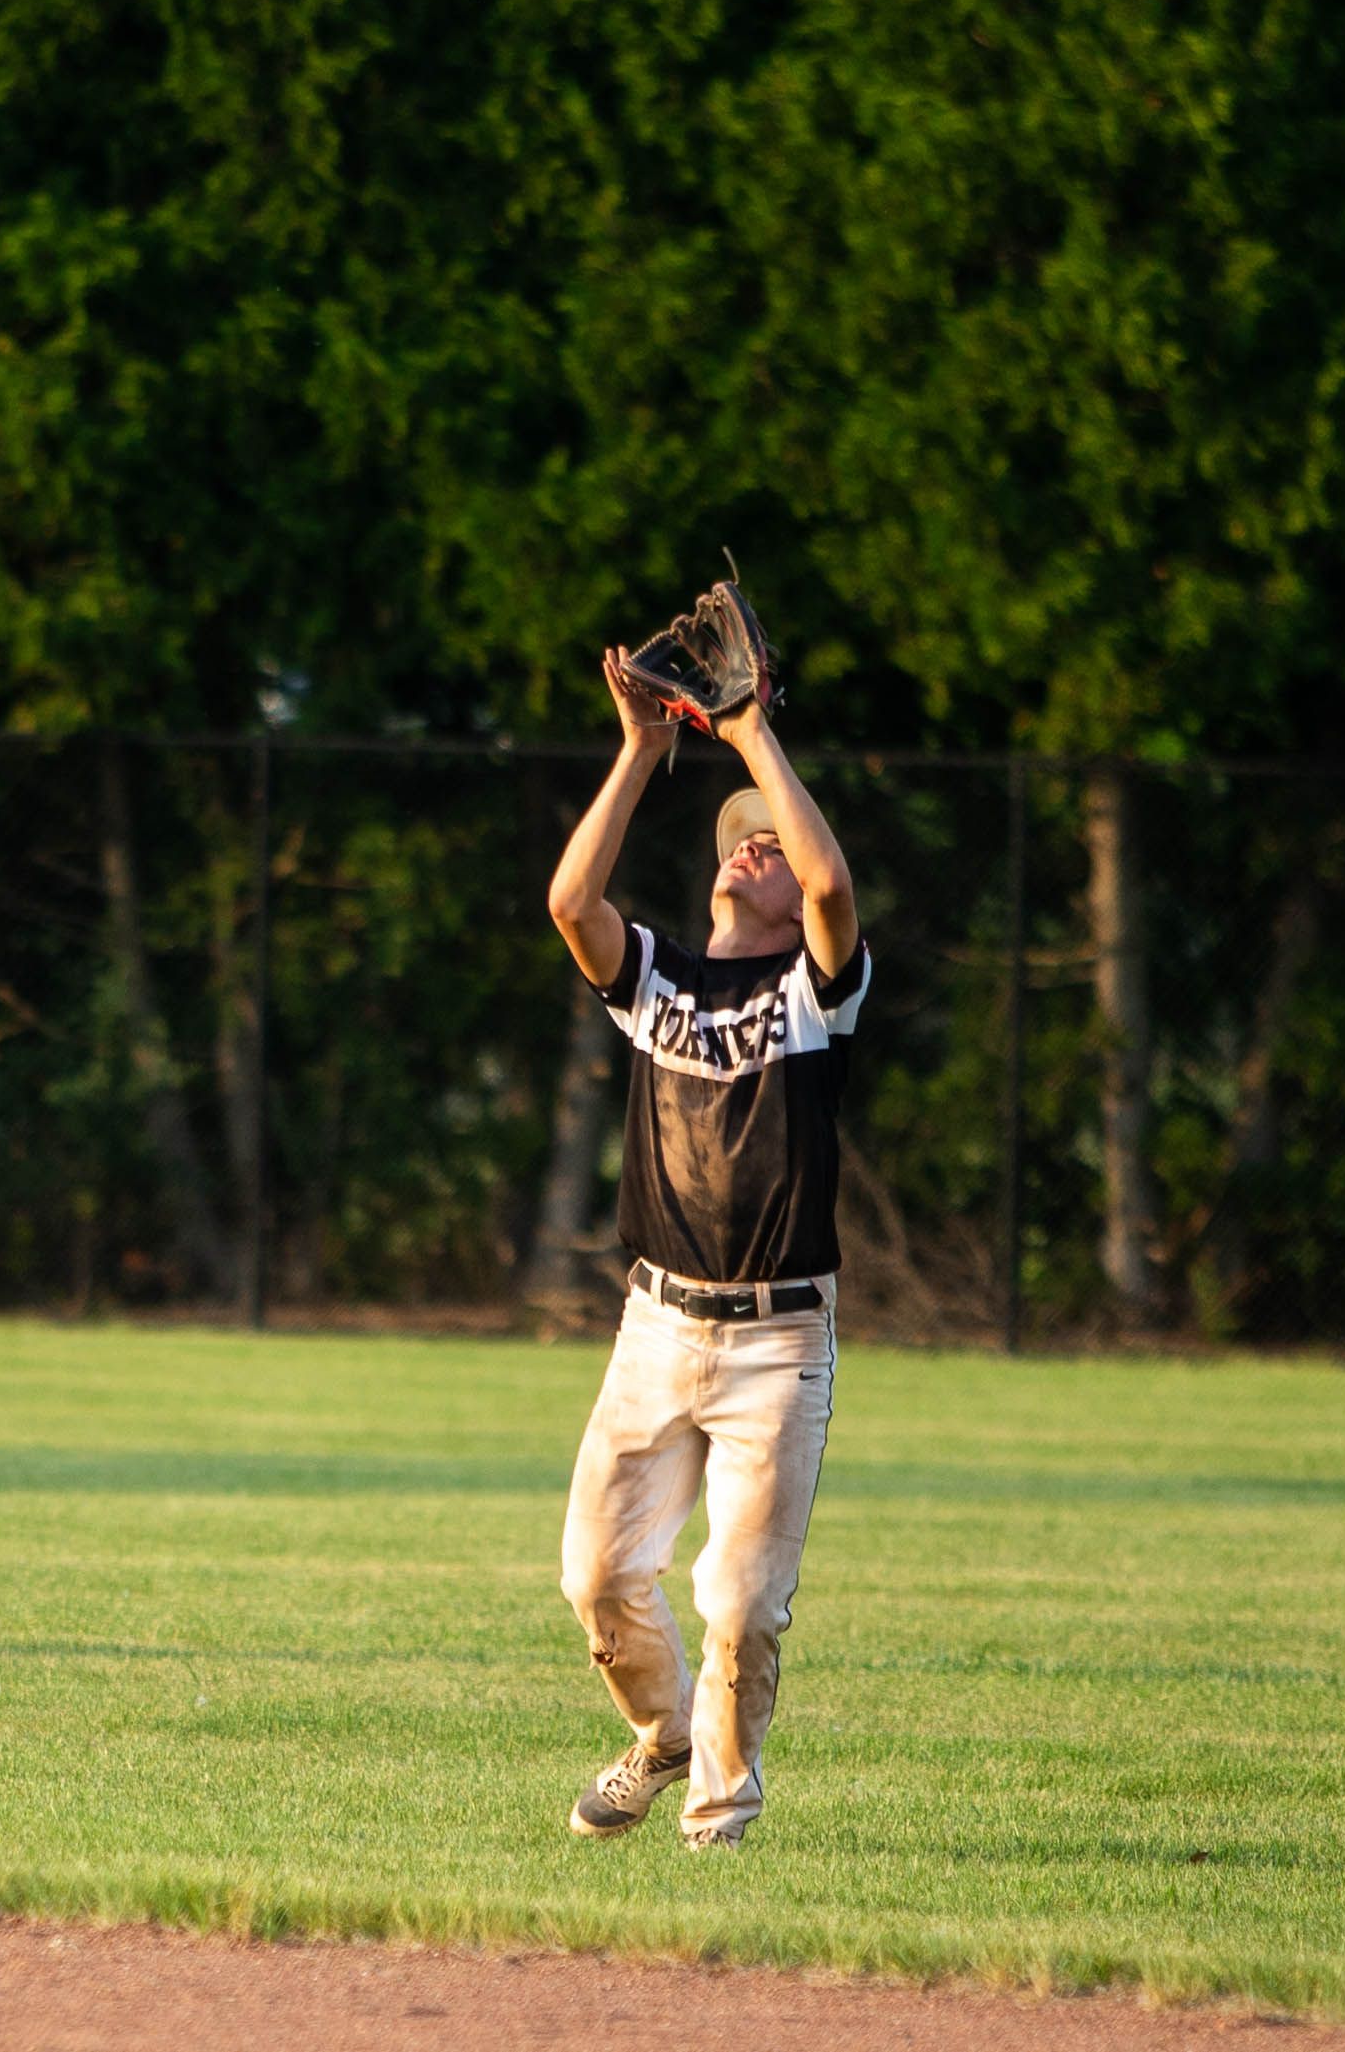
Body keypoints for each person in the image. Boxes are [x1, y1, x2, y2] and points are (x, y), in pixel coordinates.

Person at [540, 648, 867, 1848]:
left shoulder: (816, 992)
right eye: (740, 840)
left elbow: (831, 885)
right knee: (596, 1579)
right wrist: (640, 748)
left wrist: (748, 735)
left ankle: (715, 1826)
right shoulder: (658, 980)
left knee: (738, 1601)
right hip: (655, 1328)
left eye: (767, 845)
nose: (751, 850)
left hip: (776, 1344)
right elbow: (570, 904)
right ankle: (663, 1734)